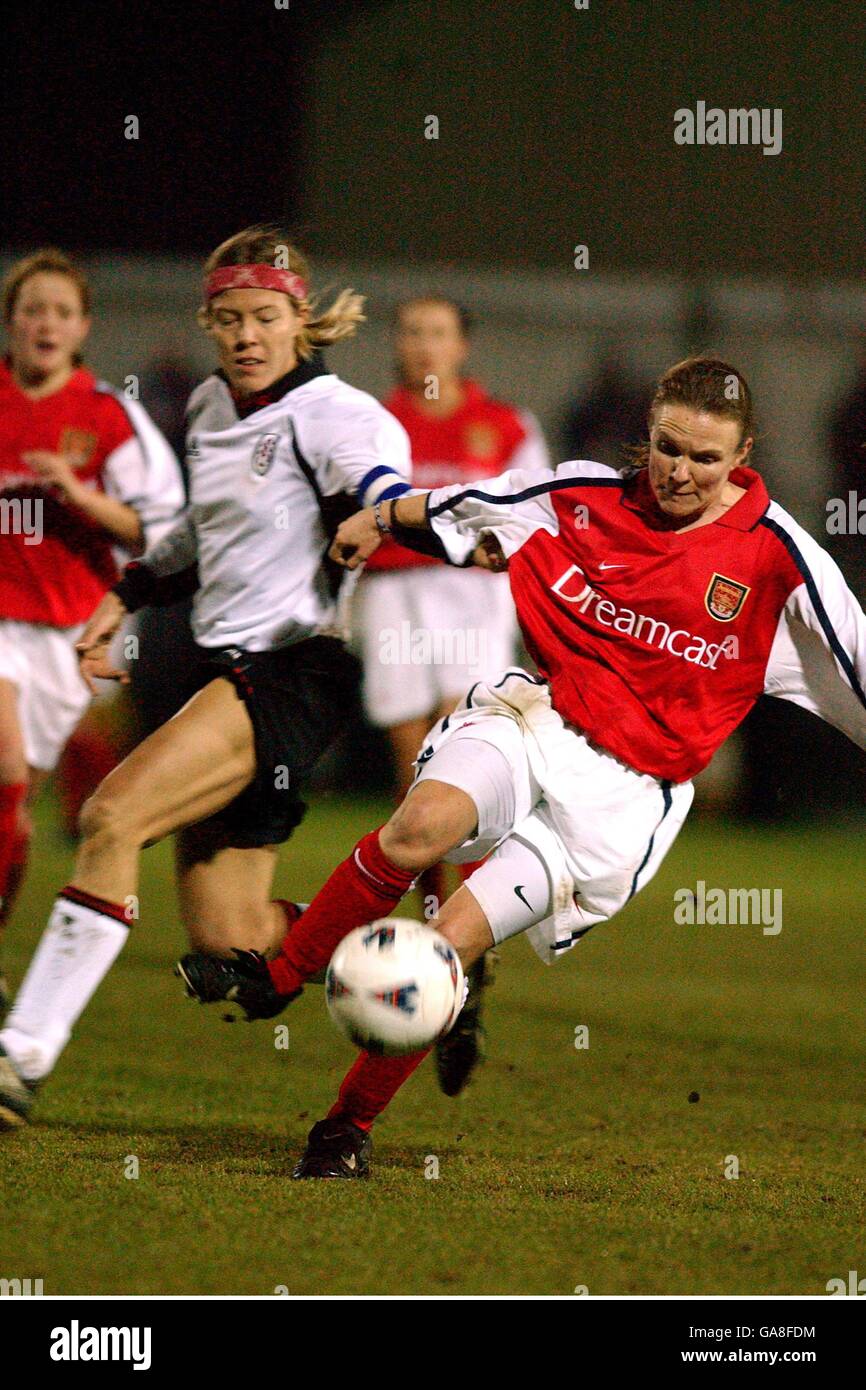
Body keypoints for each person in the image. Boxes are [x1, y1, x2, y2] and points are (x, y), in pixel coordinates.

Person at [177, 354, 866, 1180]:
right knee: (418, 829)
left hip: (623, 798)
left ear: (743, 454)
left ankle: (344, 1128)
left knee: (448, 944)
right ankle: (280, 973)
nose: (680, 473)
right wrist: (383, 518)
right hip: (536, 718)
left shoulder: (779, 558)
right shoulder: (582, 497)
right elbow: (472, 507)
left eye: (705, 458)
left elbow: (858, 664)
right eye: (667, 448)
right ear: (646, 432)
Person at [0, 223, 412, 1128]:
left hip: (297, 673)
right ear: (209, 321)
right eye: (227, 319)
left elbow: (385, 485)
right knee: (238, 946)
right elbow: (198, 537)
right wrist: (131, 590)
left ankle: (18, 1059)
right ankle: (425, 961)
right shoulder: (211, 410)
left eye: (264, 317)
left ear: (299, 318)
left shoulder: (336, 415)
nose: (245, 336)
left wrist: (382, 515)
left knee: (111, 815)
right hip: (234, 674)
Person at [355, 295, 549, 1094]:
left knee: (456, 778)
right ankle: (452, 957)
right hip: (396, 602)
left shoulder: (504, 426)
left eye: (438, 330)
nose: (423, 343)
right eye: (410, 331)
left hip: (472, 606)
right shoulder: (372, 425)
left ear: (463, 344)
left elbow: (540, 523)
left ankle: (451, 956)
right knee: (414, 784)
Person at [0, 249, 183, 1009]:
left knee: (14, 811)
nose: (46, 322)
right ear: (12, 319)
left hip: (67, 633)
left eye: (62, 311)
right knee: (5, 771)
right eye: (33, 307)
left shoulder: (107, 415)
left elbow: (159, 527)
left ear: (83, 327)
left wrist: (77, 493)